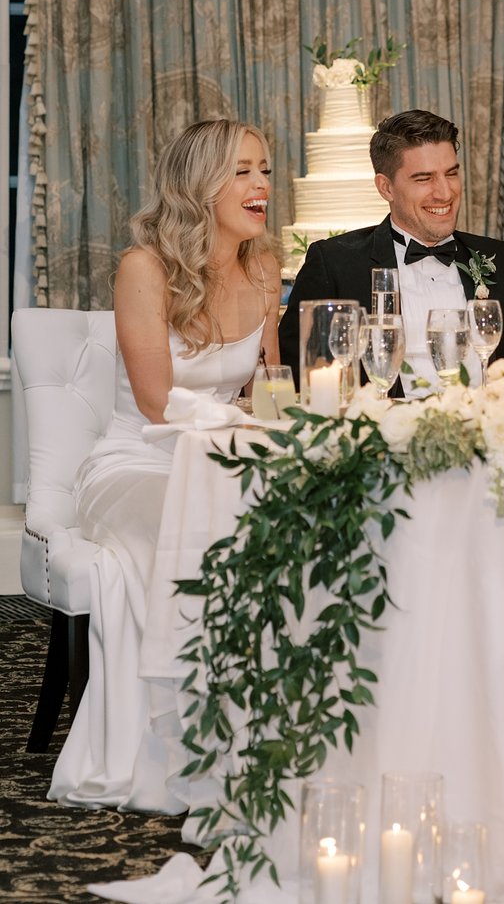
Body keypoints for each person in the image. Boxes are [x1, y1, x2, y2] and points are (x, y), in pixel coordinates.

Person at [49, 119, 282, 809]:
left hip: (225, 458)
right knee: (202, 531)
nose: (262, 184)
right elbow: (155, 403)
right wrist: (243, 424)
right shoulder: (143, 267)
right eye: (242, 170)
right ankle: (194, 744)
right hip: (139, 464)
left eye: (264, 168)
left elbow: (268, 389)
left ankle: (266, 733)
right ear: (200, 181)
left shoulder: (266, 267)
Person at [280, 109, 504, 392]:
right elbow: (298, 376)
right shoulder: (335, 264)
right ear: (386, 187)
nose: (445, 193)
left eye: (451, 173)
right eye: (424, 179)